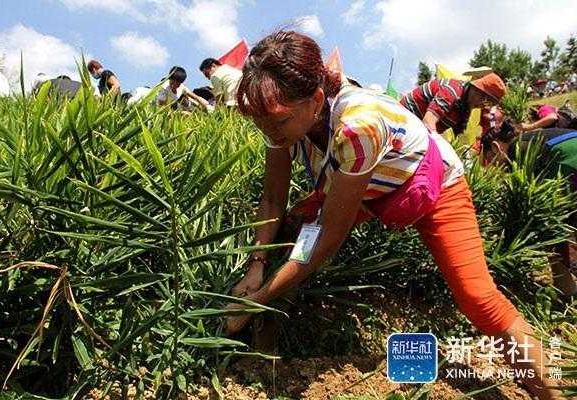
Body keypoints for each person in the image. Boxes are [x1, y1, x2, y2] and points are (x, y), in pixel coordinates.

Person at [224, 30, 561, 400]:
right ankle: (263, 349)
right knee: (290, 227)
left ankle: (551, 390)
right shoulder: (279, 117)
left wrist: (256, 298)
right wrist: (256, 264)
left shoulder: (358, 126)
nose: (269, 131)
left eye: (278, 122)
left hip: (433, 186)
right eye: (261, 123)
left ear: (317, 98)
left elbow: (326, 240)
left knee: (477, 298)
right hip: (365, 187)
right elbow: (273, 197)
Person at [481, 123, 577, 297]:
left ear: (495, 148)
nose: (494, 168)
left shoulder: (516, 150)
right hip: (569, 161)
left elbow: (538, 206)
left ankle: (567, 289)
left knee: (548, 229)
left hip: (570, 165)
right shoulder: (532, 138)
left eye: (488, 160)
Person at [400, 73, 506, 136]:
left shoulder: (465, 107)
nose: (484, 106)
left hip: (416, 131)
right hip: (402, 122)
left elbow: (459, 137)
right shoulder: (451, 92)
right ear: (477, 89)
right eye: (485, 100)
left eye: (489, 104)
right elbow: (428, 122)